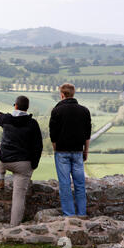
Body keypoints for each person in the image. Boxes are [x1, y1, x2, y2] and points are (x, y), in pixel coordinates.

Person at [0, 95, 43, 226]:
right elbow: (38, 146)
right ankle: (14, 227)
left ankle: (1, 178)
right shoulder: (33, 124)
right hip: (24, 164)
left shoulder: (7, 119)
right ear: (27, 108)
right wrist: (33, 165)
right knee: (18, 197)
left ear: (15, 106)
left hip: (5, 160)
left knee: (0, 146)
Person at [49, 83, 91, 216]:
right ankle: (82, 214)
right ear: (73, 94)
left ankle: (69, 215)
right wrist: (85, 151)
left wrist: (56, 150)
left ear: (62, 95)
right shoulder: (84, 111)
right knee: (80, 184)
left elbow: (53, 136)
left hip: (62, 152)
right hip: (78, 151)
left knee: (65, 185)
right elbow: (87, 135)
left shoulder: (56, 111)